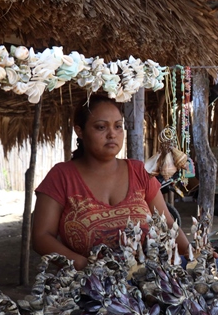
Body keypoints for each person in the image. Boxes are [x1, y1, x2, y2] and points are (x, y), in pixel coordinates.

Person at [32, 94, 190, 270]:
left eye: (118, 126)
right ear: (80, 131)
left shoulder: (140, 172)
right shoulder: (61, 177)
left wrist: (192, 254)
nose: (112, 134)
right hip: (88, 287)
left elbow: (167, 224)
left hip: (150, 281)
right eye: (101, 127)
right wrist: (85, 266)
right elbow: (41, 237)